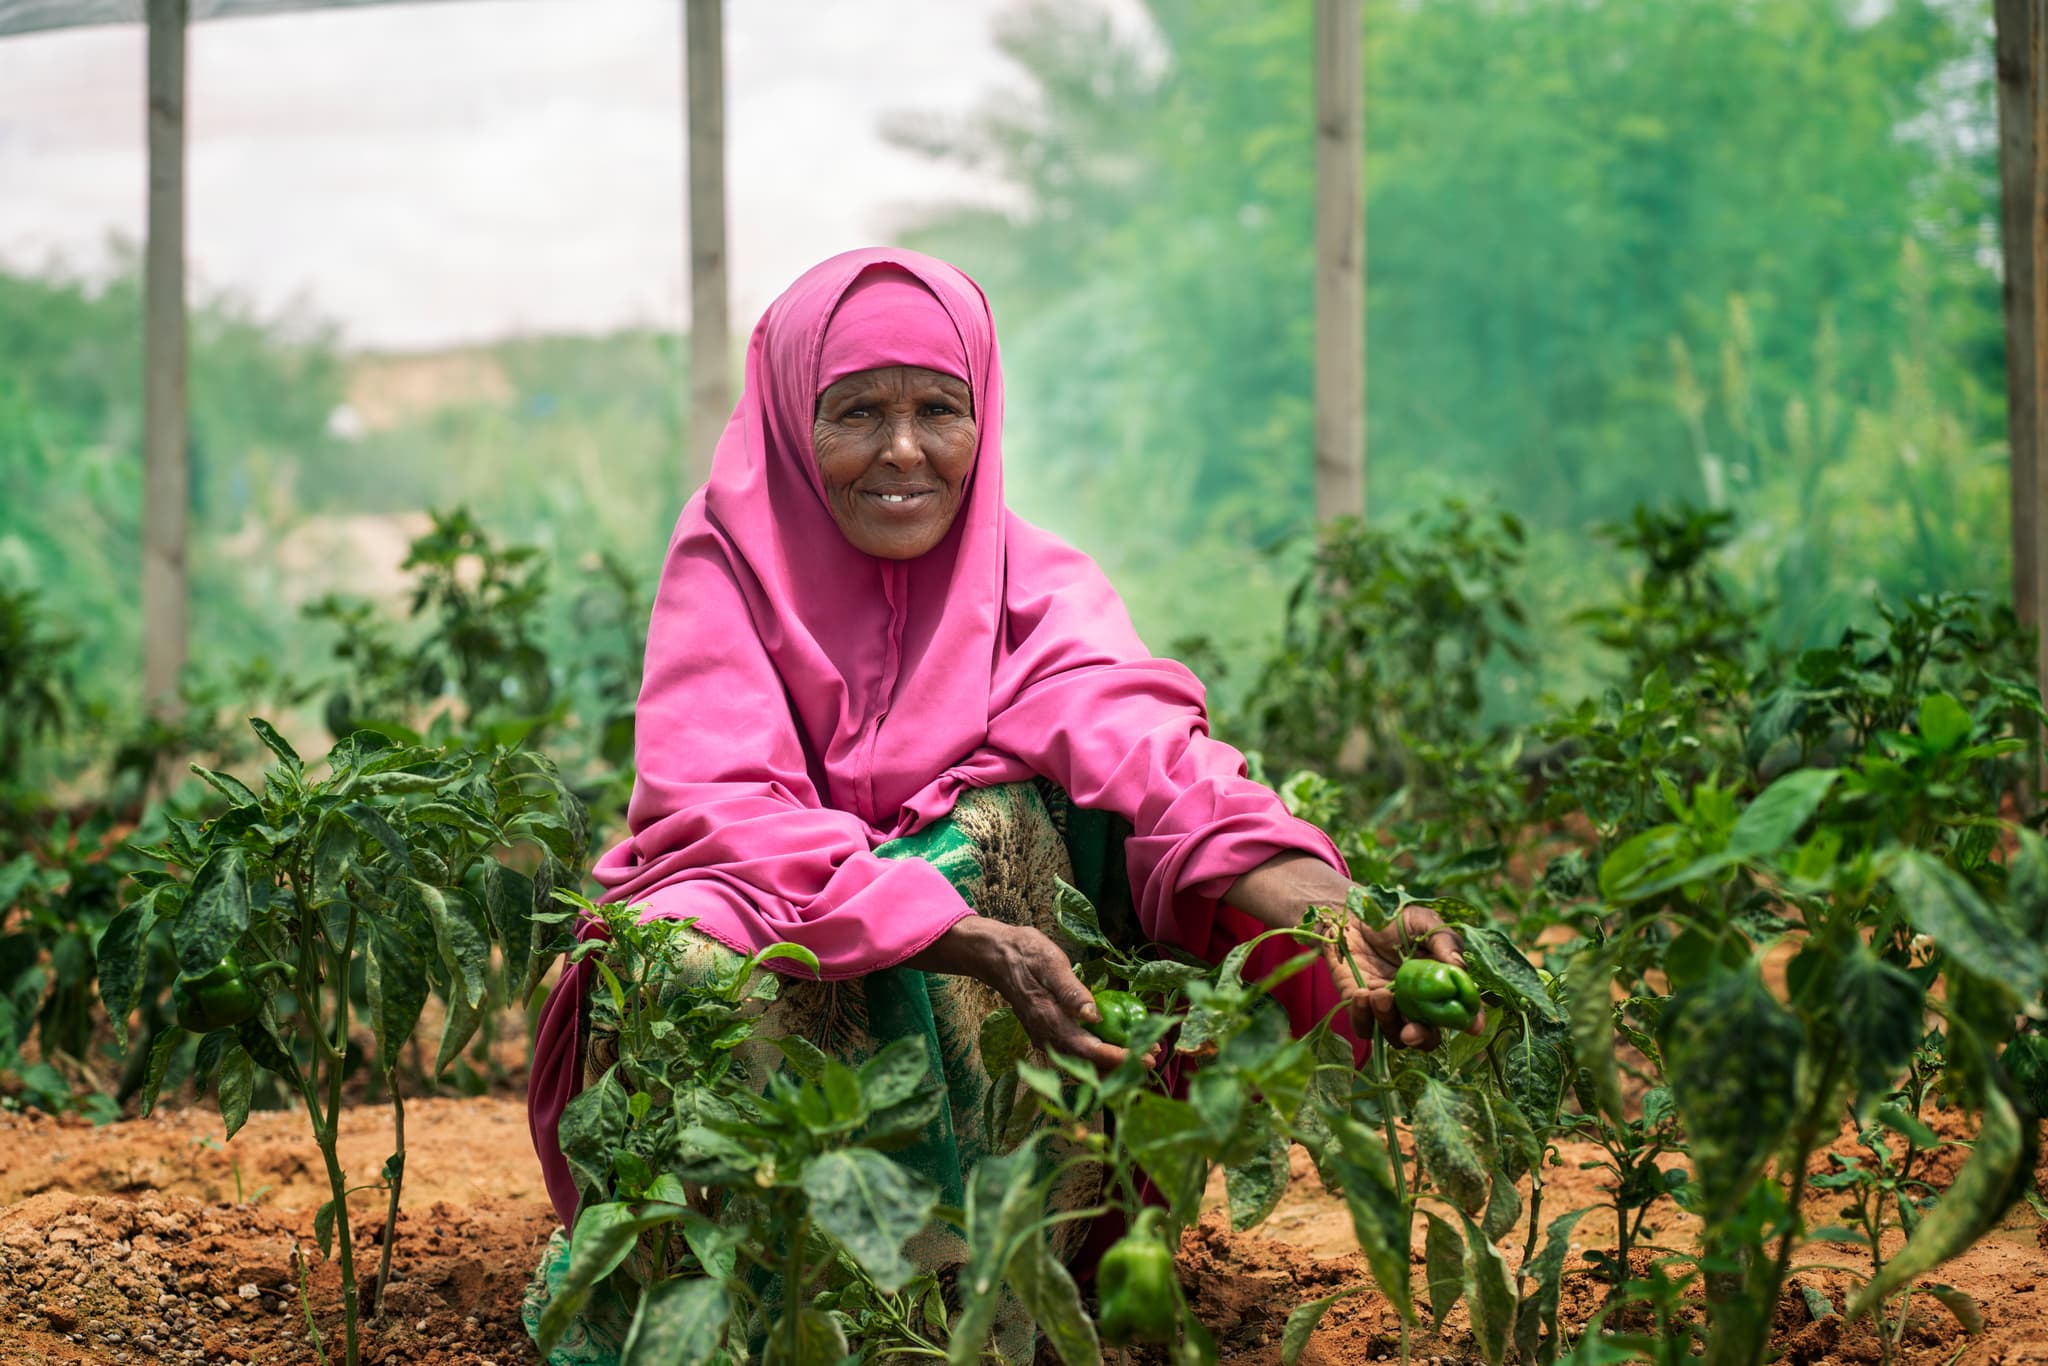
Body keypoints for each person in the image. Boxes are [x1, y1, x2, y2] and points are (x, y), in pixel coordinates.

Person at [522, 247, 1477, 1361]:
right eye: (855, 412)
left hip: (984, 996)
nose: (903, 450)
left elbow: (1162, 765)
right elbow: (720, 808)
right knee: (686, 956)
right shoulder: (728, 568)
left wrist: (1327, 909)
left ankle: (1011, 1278)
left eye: (940, 407)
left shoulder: (1033, 589)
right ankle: (761, 1309)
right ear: (789, 420)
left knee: (1026, 824)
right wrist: (949, 932)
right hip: (801, 938)